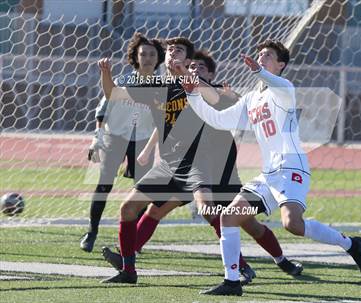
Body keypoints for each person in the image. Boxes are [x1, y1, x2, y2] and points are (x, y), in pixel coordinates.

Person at [181, 39, 361, 296]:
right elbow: (217, 119)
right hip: (268, 174)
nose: (262, 57)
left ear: (281, 64)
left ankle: (351, 245)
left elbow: (279, 83)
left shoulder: (284, 90)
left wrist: (260, 72)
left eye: (268, 55)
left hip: (292, 167)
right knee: (229, 216)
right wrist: (192, 94)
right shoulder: (251, 99)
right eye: (260, 53)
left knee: (292, 224)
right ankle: (232, 282)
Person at [101, 49, 261, 285]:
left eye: (178, 51)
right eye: (169, 50)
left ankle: (242, 267)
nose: (172, 54)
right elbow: (113, 93)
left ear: (187, 61)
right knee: (128, 208)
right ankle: (128, 271)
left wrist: (189, 76)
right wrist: (106, 73)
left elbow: (220, 100)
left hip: (196, 161)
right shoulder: (154, 86)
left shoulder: (197, 86)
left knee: (208, 210)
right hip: (168, 164)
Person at [80, 32, 164, 252]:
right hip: (114, 137)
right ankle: (92, 232)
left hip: (143, 141)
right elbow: (102, 110)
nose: (147, 57)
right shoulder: (123, 81)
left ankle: (133, 239)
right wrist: (96, 138)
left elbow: (165, 121)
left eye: (151, 54)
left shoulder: (162, 87)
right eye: (142, 53)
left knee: (142, 190)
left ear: (158, 58)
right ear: (135, 57)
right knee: (104, 183)